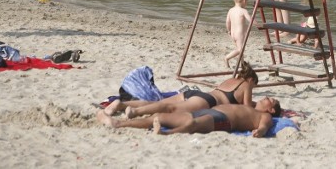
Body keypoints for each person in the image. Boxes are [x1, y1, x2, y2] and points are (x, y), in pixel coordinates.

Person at [103, 61, 258, 118]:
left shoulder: (231, 80)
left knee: (159, 103)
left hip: (197, 95)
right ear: (251, 79)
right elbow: (246, 108)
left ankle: (121, 104)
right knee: (166, 108)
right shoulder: (246, 84)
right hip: (206, 101)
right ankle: (134, 112)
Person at [98, 97, 281, 138]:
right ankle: (119, 124)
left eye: (269, 100)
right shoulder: (249, 105)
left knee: (193, 123)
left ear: (271, 110)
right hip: (210, 111)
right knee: (161, 116)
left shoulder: (265, 116)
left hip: (223, 121)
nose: (265, 98)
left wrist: (261, 130)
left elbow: (264, 126)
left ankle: (166, 134)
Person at [225, 0, 251, 68]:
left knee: (239, 48)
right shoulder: (243, 11)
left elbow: (227, 22)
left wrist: (229, 30)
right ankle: (227, 58)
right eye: (247, 1)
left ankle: (242, 63)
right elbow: (250, 20)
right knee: (240, 49)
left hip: (233, 33)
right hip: (239, 34)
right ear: (244, 1)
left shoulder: (231, 10)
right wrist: (258, 24)